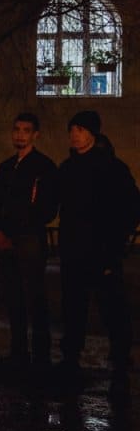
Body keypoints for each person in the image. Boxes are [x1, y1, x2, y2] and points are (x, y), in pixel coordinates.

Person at [56, 110, 139, 391]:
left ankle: (119, 353)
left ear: (92, 133)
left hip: (102, 251)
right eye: (72, 130)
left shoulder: (112, 169)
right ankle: (71, 354)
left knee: (111, 304)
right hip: (74, 250)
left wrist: (113, 248)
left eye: (79, 129)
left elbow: (129, 208)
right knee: (73, 305)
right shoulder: (67, 168)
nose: (75, 135)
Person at [0, 113, 59, 370]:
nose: (20, 134)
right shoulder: (6, 167)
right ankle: (18, 351)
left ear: (35, 134)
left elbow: (47, 207)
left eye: (26, 130)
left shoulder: (43, 167)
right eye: (16, 129)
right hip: (7, 238)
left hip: (28, 238)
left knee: (35, 297)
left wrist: (16, 228)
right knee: (13, 296)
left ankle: (40, 355)